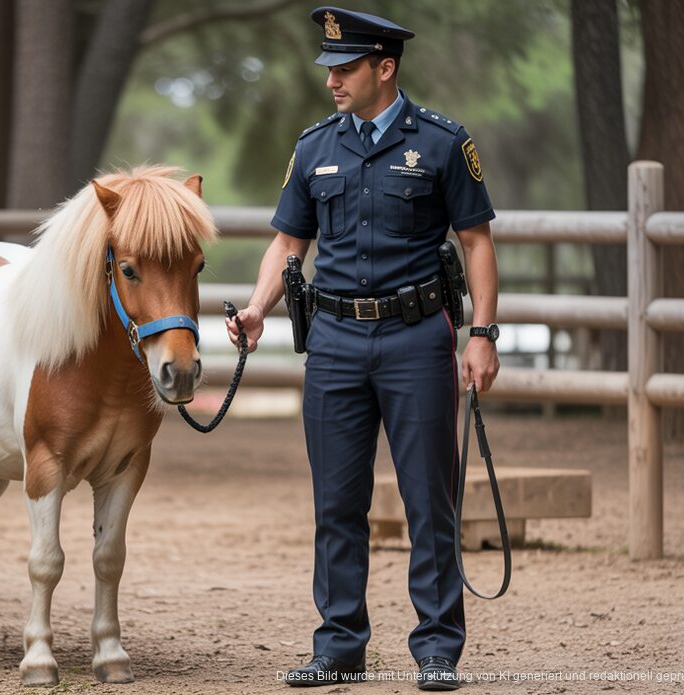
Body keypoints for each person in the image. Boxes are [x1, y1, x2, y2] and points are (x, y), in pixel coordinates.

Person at [226, 6, 501, 691]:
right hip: (335, 343)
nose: (333, 83)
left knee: (427, 499)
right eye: (329, 70)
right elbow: (289, 243)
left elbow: (477, 241)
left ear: (386, 67)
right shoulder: (314, 148)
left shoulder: (442, 143)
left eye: (346, 69)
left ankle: (437, 648)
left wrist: (483, 335)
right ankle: (339, 645)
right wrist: (258, 307)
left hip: (416, 338)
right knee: (336, 501)